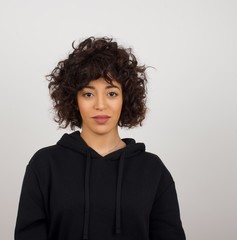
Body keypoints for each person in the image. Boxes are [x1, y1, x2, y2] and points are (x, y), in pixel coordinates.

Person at [14, 37, 186, 240]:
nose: (100, 105)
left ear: (126, 98)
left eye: (112, 93)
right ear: (74, 100)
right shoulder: (45, 165)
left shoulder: (152, 170)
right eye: (88, 94)